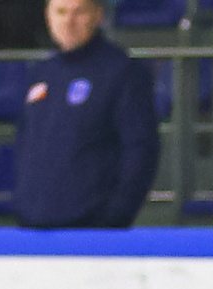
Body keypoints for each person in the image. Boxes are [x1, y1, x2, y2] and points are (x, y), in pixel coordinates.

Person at [12, 0, 160, 231]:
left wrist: (114, 218)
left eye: (79, 12)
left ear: (97, 15)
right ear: (48, 17)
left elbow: (141, 150)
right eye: (60, 12)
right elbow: (24, 142)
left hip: (91, 232)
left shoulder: (122, 72)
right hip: (33, 228)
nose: (68, 22)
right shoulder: (40, 74)